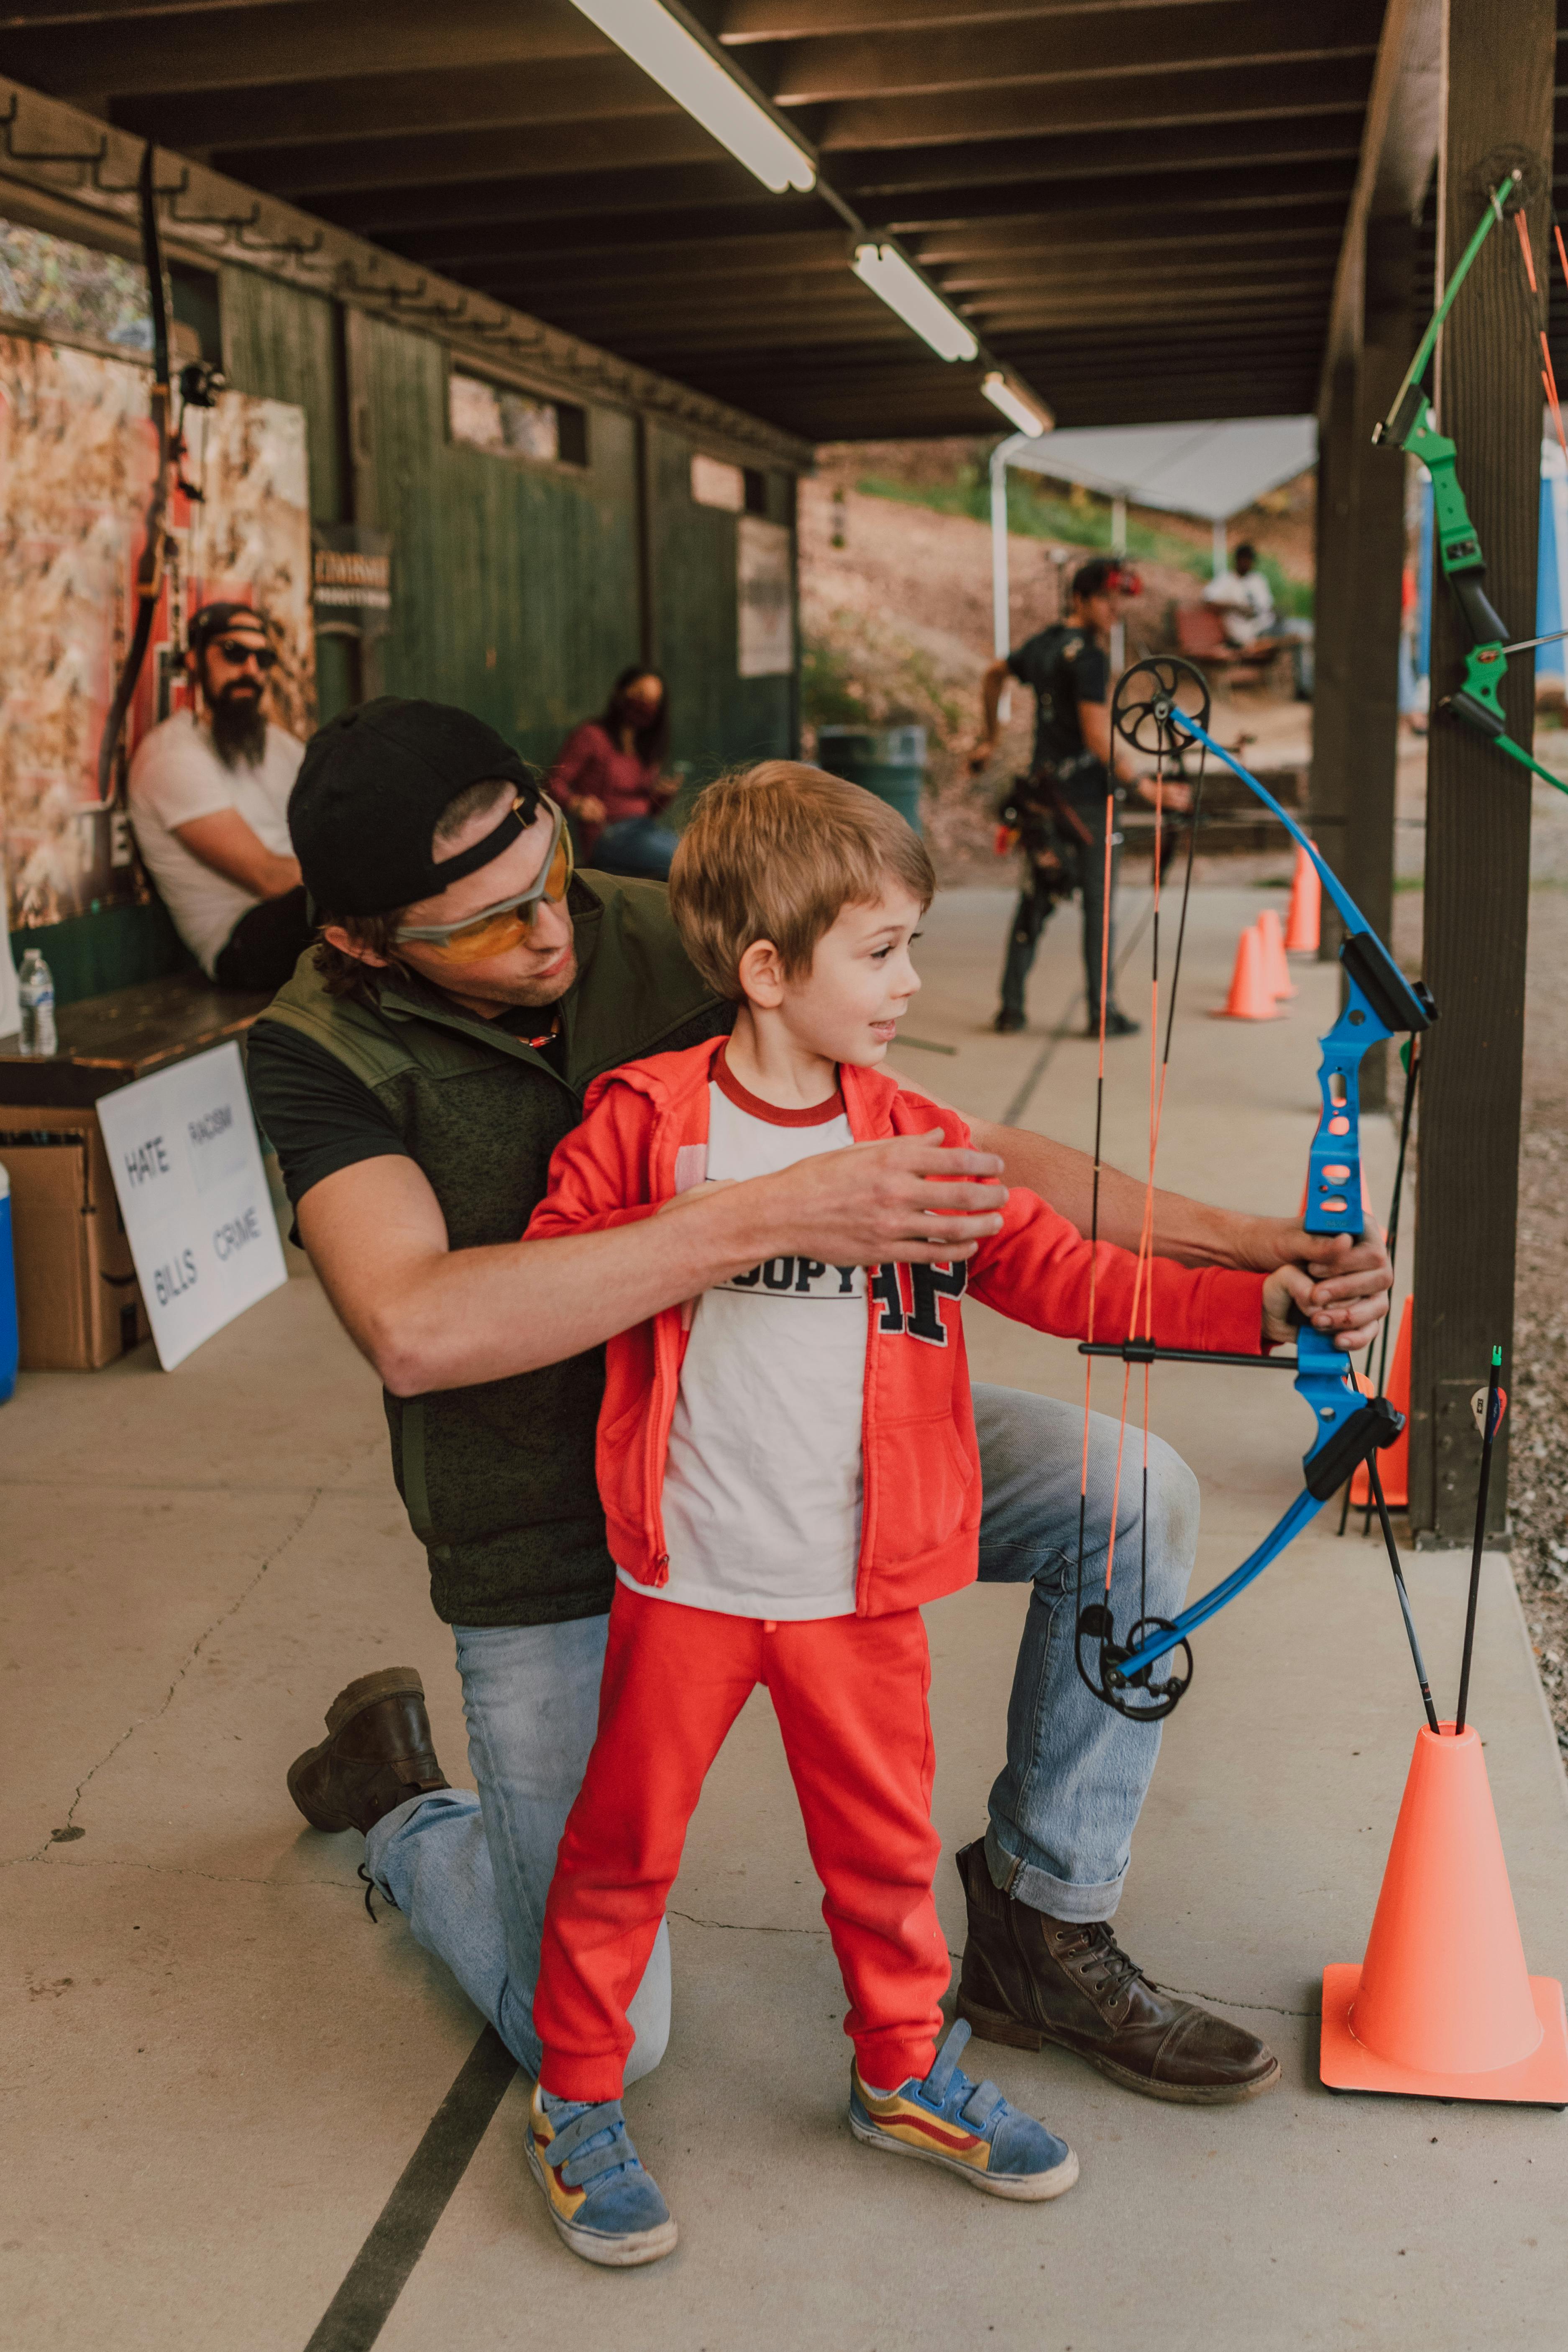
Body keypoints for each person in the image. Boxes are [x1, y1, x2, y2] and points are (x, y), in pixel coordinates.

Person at [251, 697, 1394, 2183]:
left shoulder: (677, 917)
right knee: (602, 2030)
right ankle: (405, 1804)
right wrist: (771, 1213)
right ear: (363, 942)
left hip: (835, 1477)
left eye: (547, 871)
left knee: (1121, 1490)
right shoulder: (314, 1048)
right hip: (557, 1528)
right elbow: (414, 1325)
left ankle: (1038, 1924)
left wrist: (1254, 1263)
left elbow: (975, 1176)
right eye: (484, 927)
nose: (547, 935)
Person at [520, 763, 1301, 2267]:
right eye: (876, 951)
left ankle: (901, 2075)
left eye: (909, 945)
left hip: (853, 1589)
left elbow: (1067, 1276)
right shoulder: (647, 1121)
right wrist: (705, 1233)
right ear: (764, 969)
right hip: (685, 1580)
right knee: (620, 1848)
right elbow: (560, 1283)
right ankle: (572, 2094)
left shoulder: (919, 1132)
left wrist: (1248, 1307)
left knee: (880, 1855)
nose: (908, 979)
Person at [971, 557, 1182, 1038]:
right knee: (1097, 906)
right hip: (1086, 800)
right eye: (1107, 601)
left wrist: (990, 738)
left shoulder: (1044, 645)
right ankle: (1100, 1011)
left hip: (1044, 797)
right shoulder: (1086, 656)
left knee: (1035, 895)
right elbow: (1095, 736)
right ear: (1079, 599)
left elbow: (992, 675)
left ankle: (1011, 1007)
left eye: (1120, 602)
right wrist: (1146, 787)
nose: (1116, 611)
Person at [128, 603, 313, 991]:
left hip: (308, 907)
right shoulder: (170, 757)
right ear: (194, 660)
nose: (250, 670)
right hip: (242, 939)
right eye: (233, 653)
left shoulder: (280, 746)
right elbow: (268, 878)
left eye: (262, 658)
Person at [549, 665, 680, 880]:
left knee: (700, 853)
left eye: (653, 702)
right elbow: (554, 781)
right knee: (686, 860)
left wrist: (663, 795)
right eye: (640, 696)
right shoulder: (592, 735)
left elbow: (648, 811)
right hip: (608, 835)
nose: (645, 706)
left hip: (644, 829)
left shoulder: (644, 747)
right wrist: (576, 803)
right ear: (620, 692)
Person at [1203, 541, 1276, 649]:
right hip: (1246, 634)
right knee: (1301, 632)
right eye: (1244, 559)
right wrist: (1235, 607)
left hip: (1266, 625)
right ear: (1237, 560)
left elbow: (1267, 605)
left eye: (1249, 560)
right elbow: (1207, 600)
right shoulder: (1226, 580)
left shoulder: (1258, 580)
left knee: (1303, 629)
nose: (1246, 563)